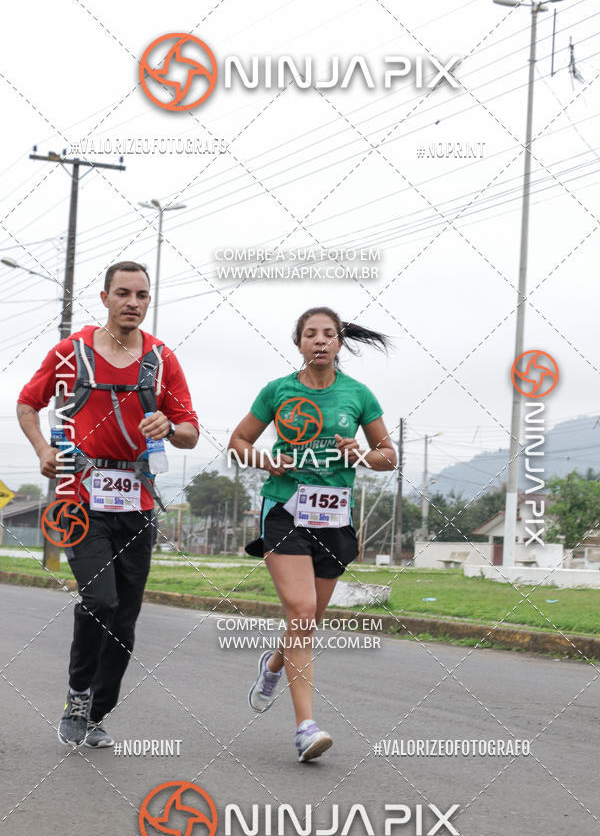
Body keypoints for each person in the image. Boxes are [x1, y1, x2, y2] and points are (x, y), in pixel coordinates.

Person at [17, 261, 199, 748]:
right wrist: (42, 449)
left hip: (137, 501)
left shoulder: (161, 361)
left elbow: (190, 432)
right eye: (123, 294)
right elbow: (26, 403)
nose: (132, 303)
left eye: (141, 295)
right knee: (100, 600)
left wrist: (169, 427)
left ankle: (96, 713)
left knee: (124, 616)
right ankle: (77, 696)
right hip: (80, 498)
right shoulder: (70, 353)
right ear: (104, 298)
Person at [228, 307, 396, 762]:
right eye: (310, 335)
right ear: (298, 343)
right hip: (284, 510)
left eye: (328, 334)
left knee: (307, 622)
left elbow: (389, 457)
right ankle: (306, 728)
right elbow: (237, 442)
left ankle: (273, 664)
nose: (319, 341)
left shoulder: (358, 395)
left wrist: (360, 454)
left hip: (334, 519)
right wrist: (266, 461)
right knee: (301, 612)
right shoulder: (277, 391)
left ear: (340, 343)